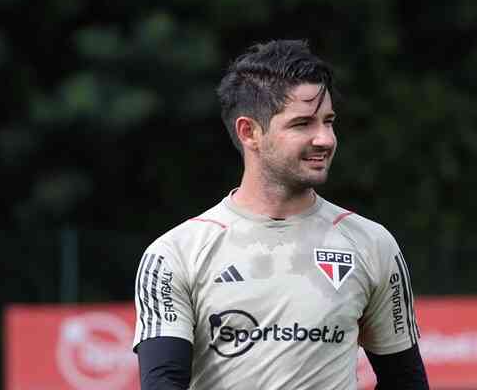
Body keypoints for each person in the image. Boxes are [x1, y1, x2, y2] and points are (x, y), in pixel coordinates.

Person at [133, 39, 429, 390]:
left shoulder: (371, 243)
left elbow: (406, 382)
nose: (325, 139)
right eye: (302, 123)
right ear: (250, 132)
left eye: (328, 121)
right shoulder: (175, 254)